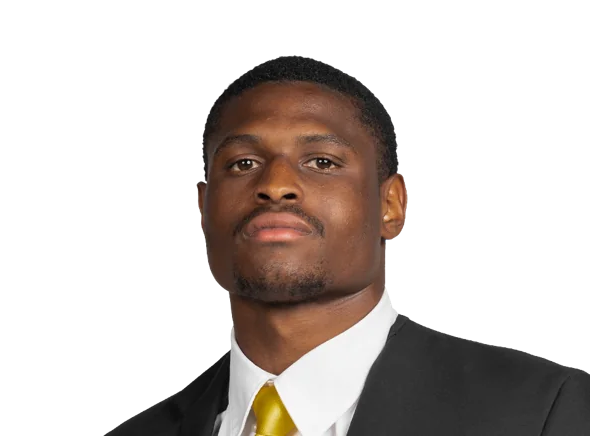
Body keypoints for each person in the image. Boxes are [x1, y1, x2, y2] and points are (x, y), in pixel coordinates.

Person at [111, 56, 589, 436]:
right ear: (203, 207)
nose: (275, 185)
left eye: (321, 161)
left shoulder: (544, 412)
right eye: (243, 163)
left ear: (391, 205)